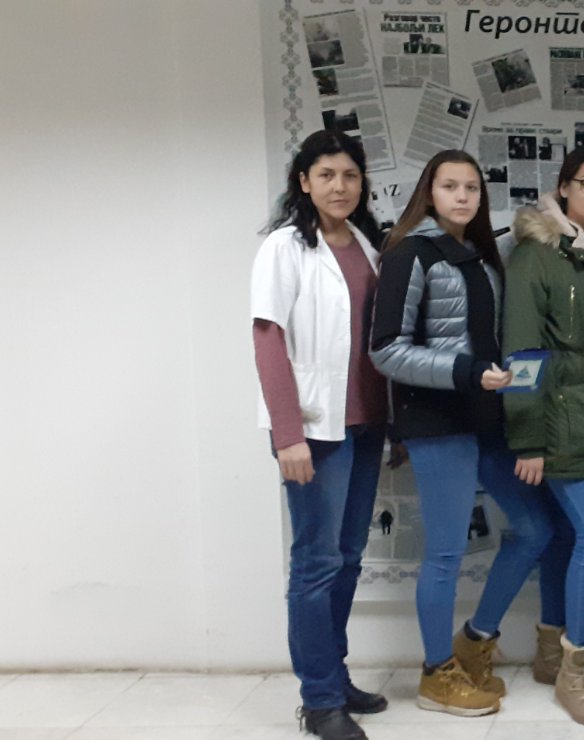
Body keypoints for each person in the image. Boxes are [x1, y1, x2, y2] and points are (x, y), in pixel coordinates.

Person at [370, 149, 556, 719]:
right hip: (437, 421)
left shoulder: (477, 255)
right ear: (429, 192)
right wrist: (466, 371)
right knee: (446, 554)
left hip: (484, 418)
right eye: (450, 186)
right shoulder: (409, 253)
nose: (462, 196)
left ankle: (474, 642)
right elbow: (386, 350)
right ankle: (436, 675)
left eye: (471, 187)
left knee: (535, 528)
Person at [252, 129, 388, 740]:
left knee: (349, 558)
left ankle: (335, 674)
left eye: (350, 175)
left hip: (365, 424)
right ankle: (320, 700)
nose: (340, 186)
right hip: (313, 429)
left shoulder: (366, 244)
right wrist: (287, 434)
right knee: (315, 562)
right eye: (327, 175)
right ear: (303, 182)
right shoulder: (284, 247)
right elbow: (267, 340)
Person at [502, 146, 584, 728]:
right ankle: (576, 669)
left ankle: (551, 651)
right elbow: (523, 352)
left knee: (564, 535)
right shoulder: (535, 255)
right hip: (555, 418)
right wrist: (528, 437)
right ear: (563, 188)